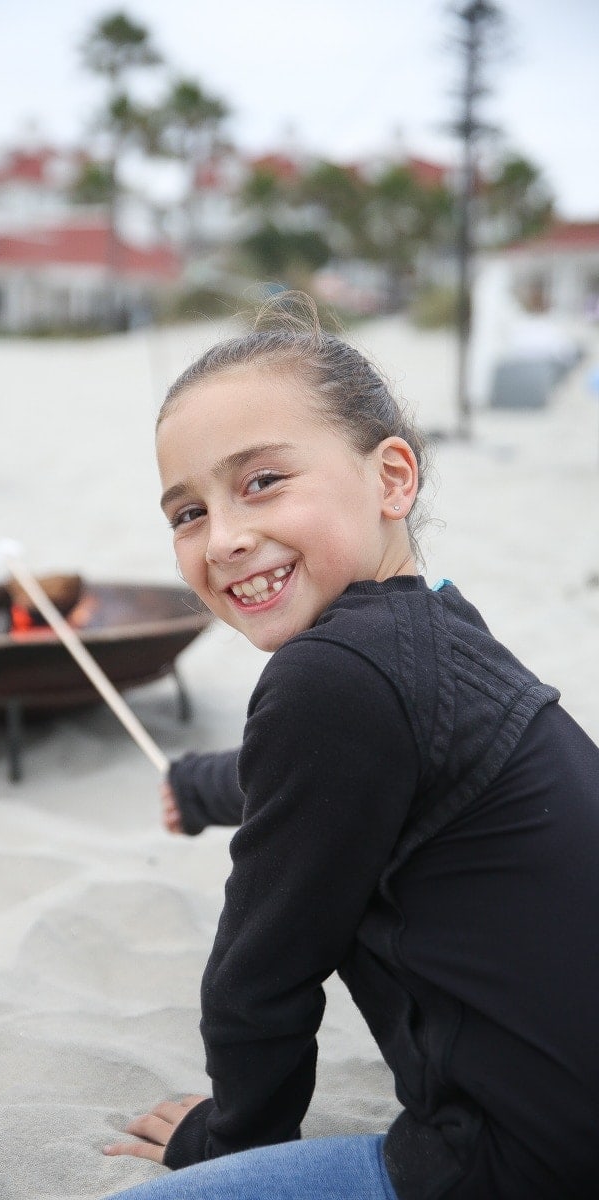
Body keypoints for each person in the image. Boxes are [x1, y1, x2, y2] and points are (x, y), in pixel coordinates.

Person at [101, 297, 599, 1198]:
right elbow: (350, 785)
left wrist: (230, 1140)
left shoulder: (327, 678)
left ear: (393, 477)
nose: (225, 538)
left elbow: (260, 976)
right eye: (186, 512)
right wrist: (205, 787)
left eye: (261, 481)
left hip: (517, 1162)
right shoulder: (440, 626)